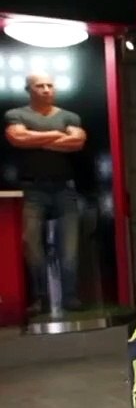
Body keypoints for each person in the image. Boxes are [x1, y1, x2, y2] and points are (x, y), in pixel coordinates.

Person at [3, 73, 86, 313]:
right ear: (29, 89)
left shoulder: (70, 116)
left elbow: (77, 142)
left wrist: (35, 139)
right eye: (40, 86)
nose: (47, 90)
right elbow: (17, 137)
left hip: (64, 189)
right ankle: (39, 298)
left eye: (50, 85)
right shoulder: (16, 114)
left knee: (69, 249)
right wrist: (56, 136)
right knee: (32, 246)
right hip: (32, 189)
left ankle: (70, 297)